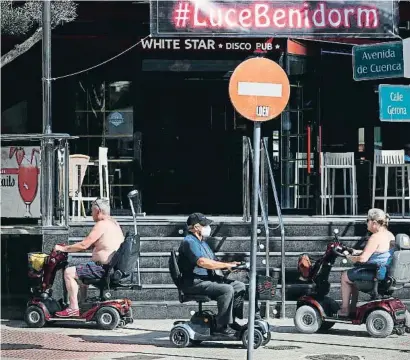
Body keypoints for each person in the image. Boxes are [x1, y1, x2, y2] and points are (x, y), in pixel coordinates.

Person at [178, 212, 261, 336]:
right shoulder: (189, 242)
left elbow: (214, 261)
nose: (208, 228)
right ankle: (221, 326)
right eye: (204, 225)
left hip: (207, 279)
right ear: (196, 227)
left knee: (239, 286)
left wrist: (232, 265)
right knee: (226, 289)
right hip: (195, 282)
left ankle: (231, 321)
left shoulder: (202, 243)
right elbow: (202, 262)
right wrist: (225, 265)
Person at [54, 198, 124, 317]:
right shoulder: (114, 224)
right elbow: (98, 243)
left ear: (98, 211)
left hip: (102, 268)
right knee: (81, 271)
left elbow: (84, 244)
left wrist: (63, 249)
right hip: (110, 267)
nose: (90, 214)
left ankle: (73, 308)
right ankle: (83, 303)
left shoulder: (101, 224)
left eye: (92, 211)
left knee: (69, 273)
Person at [338, 208, 394, 317]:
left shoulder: (375, 237)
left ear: (373, 223)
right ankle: (352, 309)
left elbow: (363, 259)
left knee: (345, 276)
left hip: (376, 273)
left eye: (367, 220)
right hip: (385, 272)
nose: (366, 223)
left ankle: (345, 310)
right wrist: (355, 251)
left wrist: (349, 257)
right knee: (352, 278)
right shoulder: (389, 235)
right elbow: (378, 252)